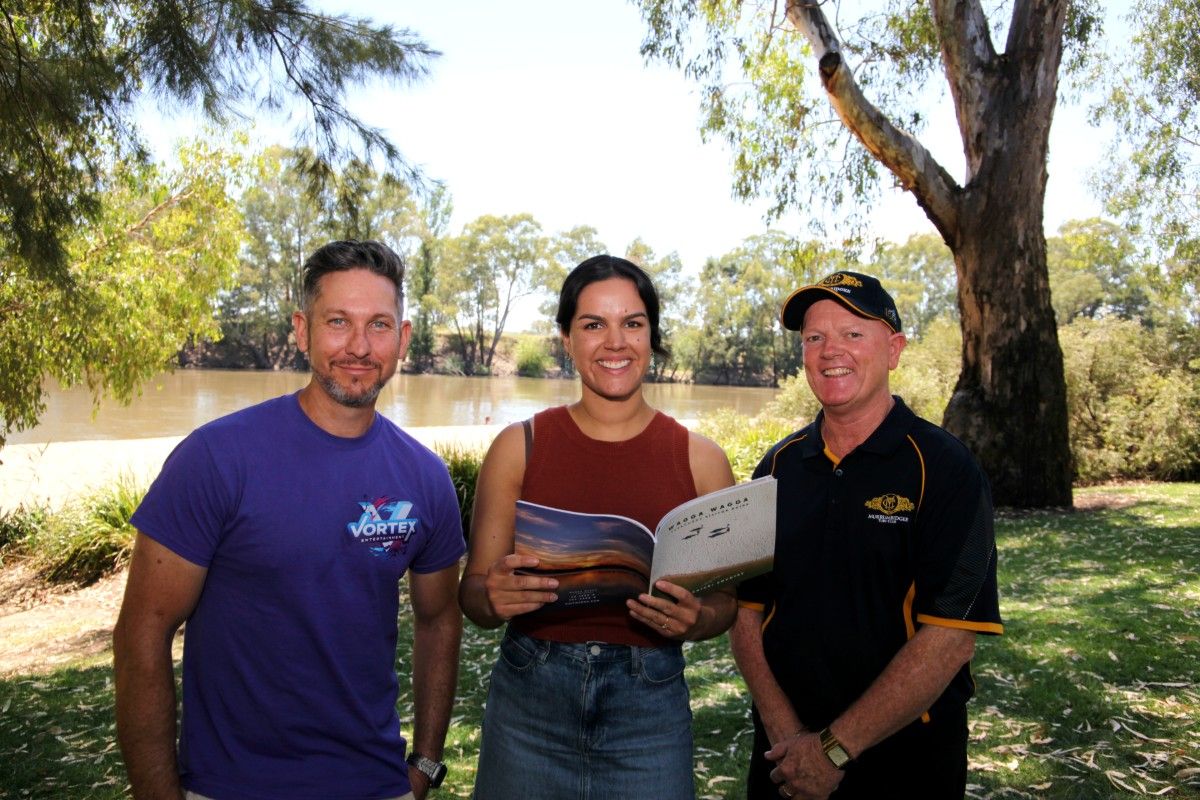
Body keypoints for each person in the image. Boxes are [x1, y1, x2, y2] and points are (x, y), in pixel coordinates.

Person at [112, 240, 465, 800]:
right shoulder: (216, 458)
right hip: (230, 785)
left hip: (373, 783)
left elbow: (439, 618)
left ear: (402, 339)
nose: (358, 346)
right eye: (337, 322)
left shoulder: (424, 478)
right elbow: (142, 633)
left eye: (378, 324)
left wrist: (425, 762)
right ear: (302, 331)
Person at [459, 255, 737, 799]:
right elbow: (473, 596)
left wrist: (696, 618)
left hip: (649, 709)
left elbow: (725, 605)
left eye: (632, 323)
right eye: (593, 325)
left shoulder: (703, 461)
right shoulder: (518, 447)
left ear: (652, 336)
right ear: (566, 338)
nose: (616, 343)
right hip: (528, 702)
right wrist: (494, 597)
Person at [732, 271, 1003, 800]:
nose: (831, 350)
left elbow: (952, 637)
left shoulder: (947, 469)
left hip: (907, 763)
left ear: (894, 349)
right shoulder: (775, 467)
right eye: (814, 337)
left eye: (854, 333)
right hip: (783, 762)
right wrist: (788, 736)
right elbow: (746, 614)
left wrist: (833, 748)